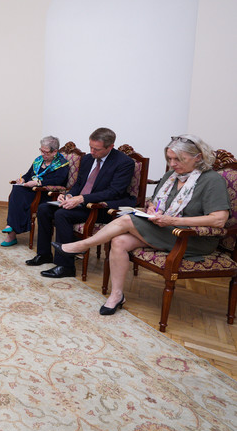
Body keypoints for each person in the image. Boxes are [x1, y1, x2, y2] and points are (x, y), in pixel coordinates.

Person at [54, 134, 230, 315]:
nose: (172, 164)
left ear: (198, 157)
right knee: (119, 241)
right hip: (165, 229)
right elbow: (154, 201)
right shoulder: (171, 176)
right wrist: (153, 208)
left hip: (191, 238)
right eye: (169, 159)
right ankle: (117, 295)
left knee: (127, 219)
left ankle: (82, 246)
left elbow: (219, 219)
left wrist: (174, 221)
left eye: (178, 159)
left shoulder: (211, 180)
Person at [25, 127, 135, 278]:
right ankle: (44, 254)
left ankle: (66, 266)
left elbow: (114, 192)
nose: (92, 152)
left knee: (62, 214)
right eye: (90, 147)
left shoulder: (124, 162)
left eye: (96, 149)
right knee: (44, 208)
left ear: (110, 147)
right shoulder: (88, 159)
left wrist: (82, 199)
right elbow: (79, 184)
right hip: (80, 203)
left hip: (102, 208)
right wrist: (68, 195)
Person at [1, 136, 69, 247]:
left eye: (46, 152)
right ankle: (11, 228)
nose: (42, 154)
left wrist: (38, 183)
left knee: (19, 195)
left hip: (46, 194)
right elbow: (28, 175)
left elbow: (59, 181)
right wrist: (22, 179)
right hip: (32, 191)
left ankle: (11, 233)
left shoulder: (62, 164)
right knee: (17, 188)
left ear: (55, 151)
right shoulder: (38, 160)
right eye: (41, 150)